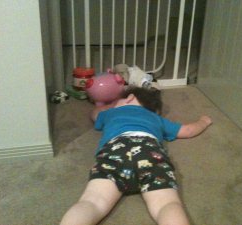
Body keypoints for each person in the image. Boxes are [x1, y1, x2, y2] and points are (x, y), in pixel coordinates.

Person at [60, 86, 212, 225]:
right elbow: (188, 131)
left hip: (114, 153)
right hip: (150, 153)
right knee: (167, 205)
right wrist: (203, 122)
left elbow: (94, 114)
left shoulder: (111, 113)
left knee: (92, 203)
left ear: (129, 97)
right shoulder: (156, 119)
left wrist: (110, 106)